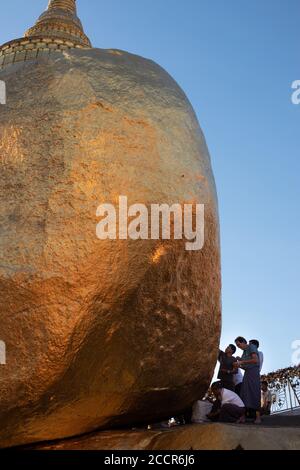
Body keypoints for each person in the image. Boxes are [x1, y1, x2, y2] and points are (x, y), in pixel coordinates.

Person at [234, 336, 262, 424]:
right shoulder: (244, 353)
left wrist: (241, 362)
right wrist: (239, 363)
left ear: (243, 342)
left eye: (239, 344)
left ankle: (258, 417)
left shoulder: (251, 346)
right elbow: (246, 366)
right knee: (244, 394)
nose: (238, 347)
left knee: (254, 393)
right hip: (247, 374)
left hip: (253, 373)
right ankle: (243, 417)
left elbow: (255, 360)